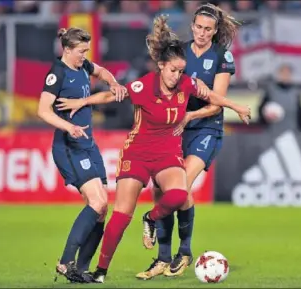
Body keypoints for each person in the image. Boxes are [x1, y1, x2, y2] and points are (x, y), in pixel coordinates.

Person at [55, 15, 251, 284]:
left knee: (180, 194)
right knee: (121, 215)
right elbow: (113, 94)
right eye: (173, 71)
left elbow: (211, 96)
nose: (178, 76)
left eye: (182, 71)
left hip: (167, 154)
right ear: (161, 66)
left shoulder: (186, 83)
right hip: (136, 154)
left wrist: (236, 107)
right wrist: (83, 101)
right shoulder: (143, 86)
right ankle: (100, 270)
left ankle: (152, 219)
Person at [136, 3, 242, 280]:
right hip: (175, 130)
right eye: (198, 27)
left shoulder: (222, 56)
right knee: (161, 191)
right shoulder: (180, 51)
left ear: (215, 30)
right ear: (192, 26)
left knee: (180, 185)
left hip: (206, 129)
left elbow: (216, 104)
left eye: (208, 29)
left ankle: (184, 251)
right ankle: (162, 257)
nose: (202, 33)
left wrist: (190, 114)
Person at [37, 27, 127, 282]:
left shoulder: (83, 66)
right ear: (66, 50)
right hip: (69, 146)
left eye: (87, 51)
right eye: (81, 52)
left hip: (88, 144)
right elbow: (43, 110)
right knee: (97, 203)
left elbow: (103, 71)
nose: (85, 56)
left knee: (102, 209)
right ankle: (66, 262)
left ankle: (83, 268)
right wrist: (69, 127)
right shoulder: (57, 73)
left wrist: (113, 82)